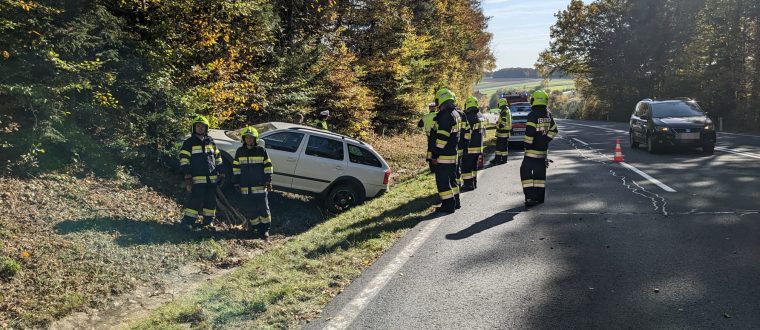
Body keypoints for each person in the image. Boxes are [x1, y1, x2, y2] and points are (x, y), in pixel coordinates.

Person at [179, 115, 224, 230]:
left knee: (210, 201)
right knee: (196, 199)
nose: (200, 128)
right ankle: (189, 222)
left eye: (202, 126)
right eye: (198, 126)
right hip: (197, 177)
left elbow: (217, 157)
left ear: (206, 128)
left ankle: (208, 223)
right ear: (194, 128)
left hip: (212, 177)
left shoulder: (211, 141)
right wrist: (187, 175)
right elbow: (184, 160)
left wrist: (221, 170)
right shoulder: (189, 142)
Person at [232, 126, 274, 239]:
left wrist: (268, 181)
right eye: (247, 138)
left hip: (260, 186)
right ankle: (255, 229)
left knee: (263, 209)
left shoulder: (261, 151)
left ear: (255, 139)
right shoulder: (240, 151)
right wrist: (236, 182)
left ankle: (265, 231)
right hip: (245, 187)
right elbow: (236, 168)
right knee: (251, 209)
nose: (249, 140)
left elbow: (268, 167)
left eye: (251, 138)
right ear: (244, 139)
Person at [521, 90, 558, 207]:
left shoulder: (532, 114)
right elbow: (554, 130)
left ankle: (530, 198)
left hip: (531, 152)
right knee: (540, 177)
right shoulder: (548, 114)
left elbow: (530, 132)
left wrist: (527, 145)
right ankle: (539, 198)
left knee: (525, 173)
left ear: (535, 100)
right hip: (542, 153)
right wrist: (546, 140)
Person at [431, 88, 463, 214]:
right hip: (453, 153)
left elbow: (442, 139)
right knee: (452, 180)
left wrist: (435, 154)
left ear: (442, 99)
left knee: (443, 182)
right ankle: (456, 202)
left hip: (444, 155)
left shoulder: (445, 115)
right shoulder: (455, 113)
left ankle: (448, 205)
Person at [461, 96, 485, 191]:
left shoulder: (469, 116)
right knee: (474, 165)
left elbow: (466, 132)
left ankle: (468, 184)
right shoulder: (480, 115)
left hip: (470, 146)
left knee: (466, 166)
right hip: (478, 146)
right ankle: (474, 182)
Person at [491, 98, 512, 165]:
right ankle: (497, 158)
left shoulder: (504, 111)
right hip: (503, 132)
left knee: (502, 147)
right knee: (499, 146)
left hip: (503, 132)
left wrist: (498, 126)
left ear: (501, 103)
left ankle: (503, 159)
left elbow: (503, 122)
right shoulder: (506, 110)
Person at [419, 102, 438, 172]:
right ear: (435, 108)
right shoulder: (438, 115)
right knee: (438, 149)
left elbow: (419, 125)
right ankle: (438, 164)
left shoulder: (425, 116)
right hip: (438, 136)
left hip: (429, 136)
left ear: (429, 108)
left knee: (430, 150)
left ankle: (431, 166)